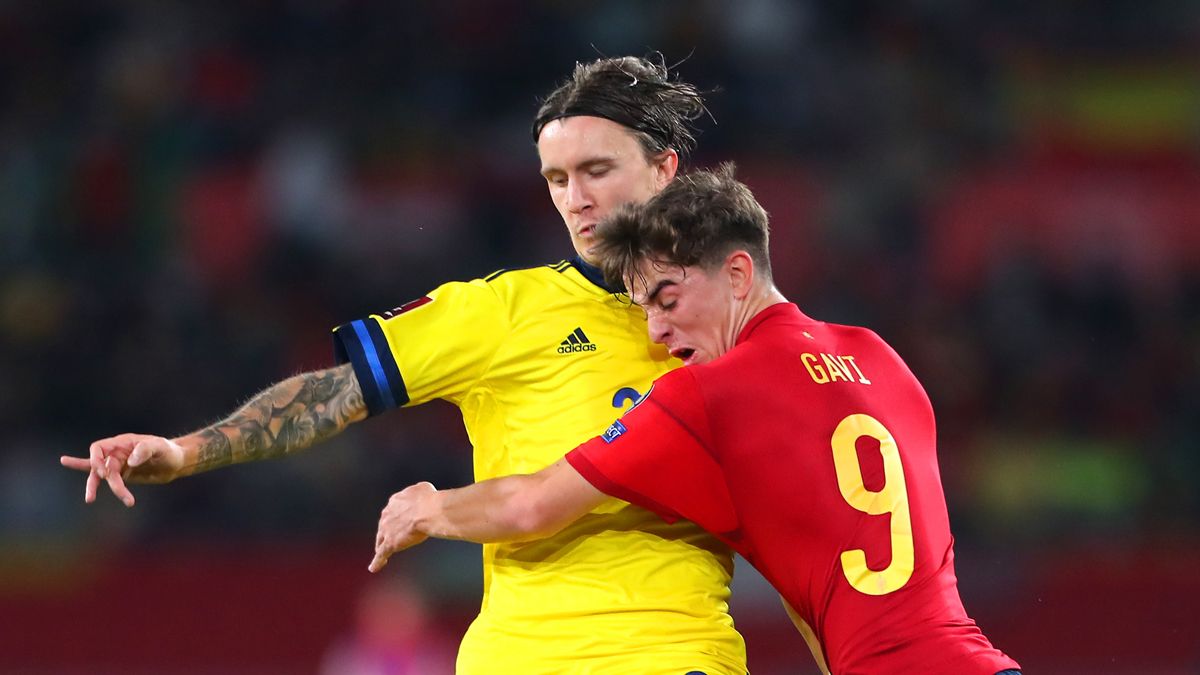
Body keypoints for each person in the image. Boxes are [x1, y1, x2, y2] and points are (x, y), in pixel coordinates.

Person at [60, 57, 749, 674]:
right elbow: (334, 395)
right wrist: (184, 452)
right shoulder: (501, 310)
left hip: (674, 652)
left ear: (664, 169)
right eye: (557, 179)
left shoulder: (739, 323)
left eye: (597, 170)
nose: (576, 199)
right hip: (522, 657)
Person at [369, 165, 1023, 675]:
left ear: (738, 273)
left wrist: (428, 507)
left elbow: (532, 504)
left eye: (667, 298)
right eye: (643, 307)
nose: (655, 330)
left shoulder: (708, 395)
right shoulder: (879, 356)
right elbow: (827, 584)